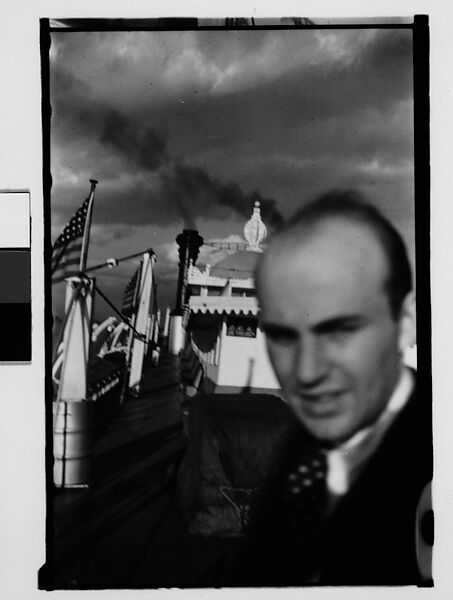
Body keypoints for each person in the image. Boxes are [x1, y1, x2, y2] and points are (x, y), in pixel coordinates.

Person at [231, 190, 432, 586]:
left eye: (339, 330)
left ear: (405, 322)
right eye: (283, 337)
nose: (306, 373)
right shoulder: (306, 451)